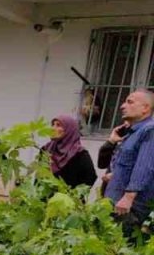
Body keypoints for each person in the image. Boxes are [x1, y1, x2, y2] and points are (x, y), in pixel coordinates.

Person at [102, 90, 154, 233]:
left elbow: (145, 166)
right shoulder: (132, 133)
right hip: (116, 203)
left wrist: (128, 197)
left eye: (129, 102)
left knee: (120, 249)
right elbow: (129, 164)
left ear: (145, 108)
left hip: (129, 208)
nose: (122, 106)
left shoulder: (149, 130)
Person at [42, 114, 97, 189]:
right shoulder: (46, 150)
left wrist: (75, 195)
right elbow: (40, 175)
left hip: (66, 198)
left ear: (69, 129)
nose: (53, 128)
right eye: (53, 125)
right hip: (44, 198)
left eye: (58, 125)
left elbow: (90, 178)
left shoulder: (79, 154)